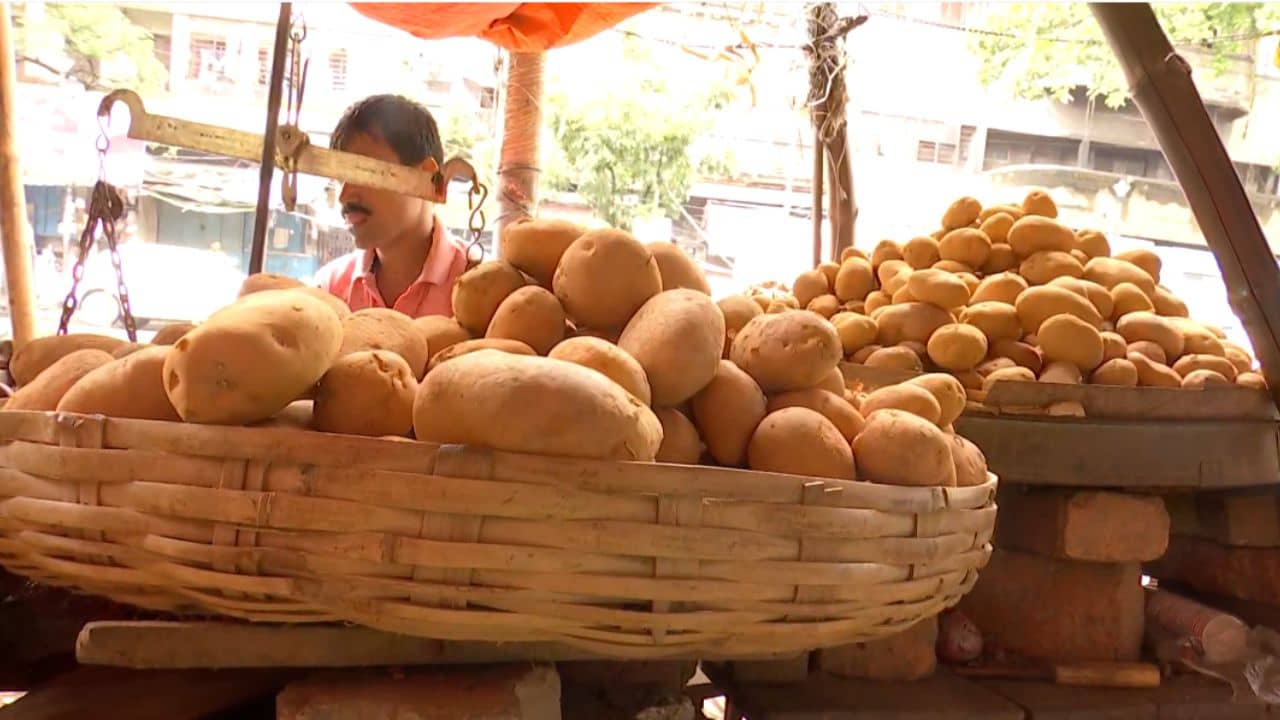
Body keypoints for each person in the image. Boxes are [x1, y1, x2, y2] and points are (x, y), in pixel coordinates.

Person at [312, 94, 468, 318]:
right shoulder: (330, 290)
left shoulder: (480, 287)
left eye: (363, 172)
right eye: (340, 178)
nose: (344, 196)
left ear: (426, 178)